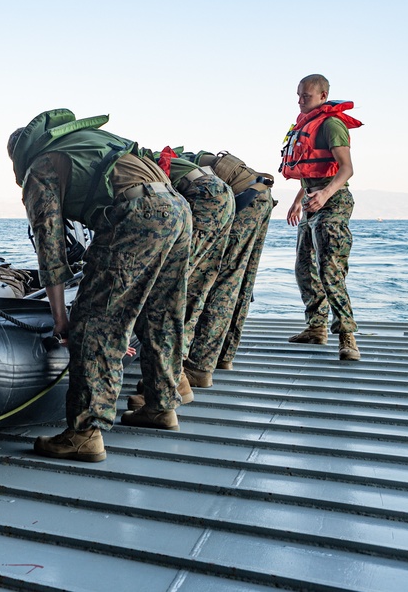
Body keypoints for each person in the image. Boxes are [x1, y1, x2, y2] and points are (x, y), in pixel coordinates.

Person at [9, 110, 191, 463]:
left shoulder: (40, 166)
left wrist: (62, 318)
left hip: (138, 212)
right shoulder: (85, 143)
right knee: (162, 312)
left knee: (96, 322)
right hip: (178, 208)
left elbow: (51, 249)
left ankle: (84, 433)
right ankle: (161, 405)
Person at [127, 147, 234, 409]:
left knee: (166, 294)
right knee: (195, 289)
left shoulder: (127, 170)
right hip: (221, 196)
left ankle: (173, 383)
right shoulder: (141, 161)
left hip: (200, 198)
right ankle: (188, 376)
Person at [281, 73, 363, 361]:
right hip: (311, 200)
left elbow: (346, 169)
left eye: (306, 95)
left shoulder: (332, 125)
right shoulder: (306, 125)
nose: (301, 100)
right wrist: (298, 201)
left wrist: (325, 195)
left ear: (323, 96)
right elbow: (310, 172)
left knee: (330, 269)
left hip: (334, 202)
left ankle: (347, 337)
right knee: (304, 267)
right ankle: (316, 328)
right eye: (299, 95)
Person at [182, 150, 276, 381]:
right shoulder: (175, 161)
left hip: (243, 198)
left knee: (218, 282)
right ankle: (223, 355)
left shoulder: (158, 172)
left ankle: (198, 367)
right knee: (239, 280)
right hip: (259, 194)